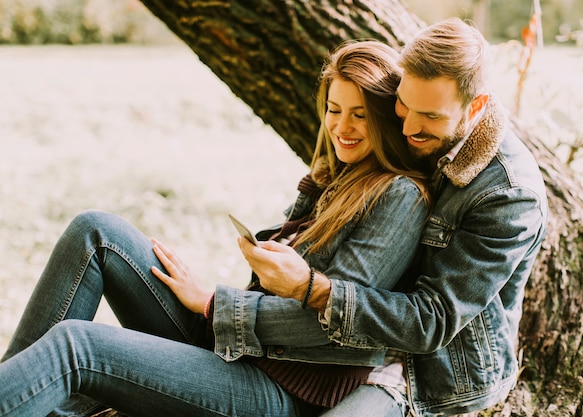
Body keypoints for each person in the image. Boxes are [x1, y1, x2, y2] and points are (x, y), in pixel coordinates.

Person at [0, 40, 431, 416]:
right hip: (240, 351)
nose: (341, 127)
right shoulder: (336, 179)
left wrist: (214, 303)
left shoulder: (399, 196)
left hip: (279, 392)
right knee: (95, 232)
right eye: (334, 110)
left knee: (78, 346)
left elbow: (336, 323)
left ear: (386, 118)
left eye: (360, 115)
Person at [238, 17, 549, 416]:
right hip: (361, 344)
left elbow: (432, 321)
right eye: (404, 103)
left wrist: (311, 288)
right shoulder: (404, 131)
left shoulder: (509, 195)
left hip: (431, 373)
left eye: (431, 116)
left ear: (476, 107)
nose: (409, 126)